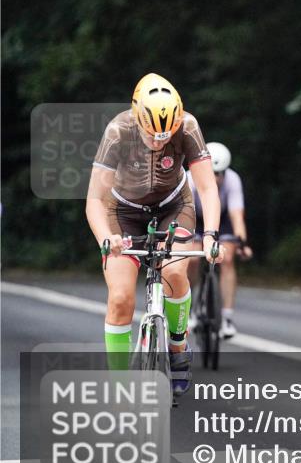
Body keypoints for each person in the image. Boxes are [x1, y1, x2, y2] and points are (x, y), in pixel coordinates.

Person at [85, 73, 224, 395]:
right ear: (137, 119)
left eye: (166, 135)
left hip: (174, 206)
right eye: (152, 136)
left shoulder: (187, 126)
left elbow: (207, 188)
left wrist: (211, 236)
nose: (160, 142)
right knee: (120, 298)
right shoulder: (118, 131)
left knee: (175, 271)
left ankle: (177, 347)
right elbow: (94, 199)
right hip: (122, 212)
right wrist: (106, 238)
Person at [187, 142, 252, 339]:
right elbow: (185, 214)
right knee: (192, 259)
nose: (215, 178)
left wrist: (242, 244)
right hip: (196, 219)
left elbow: (236, 215)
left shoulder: (233, 180)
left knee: (228, 259)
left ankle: (227, 317)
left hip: (222, 219)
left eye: (219, 173)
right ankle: (188, 310)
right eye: (211, 173)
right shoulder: (190, 179)